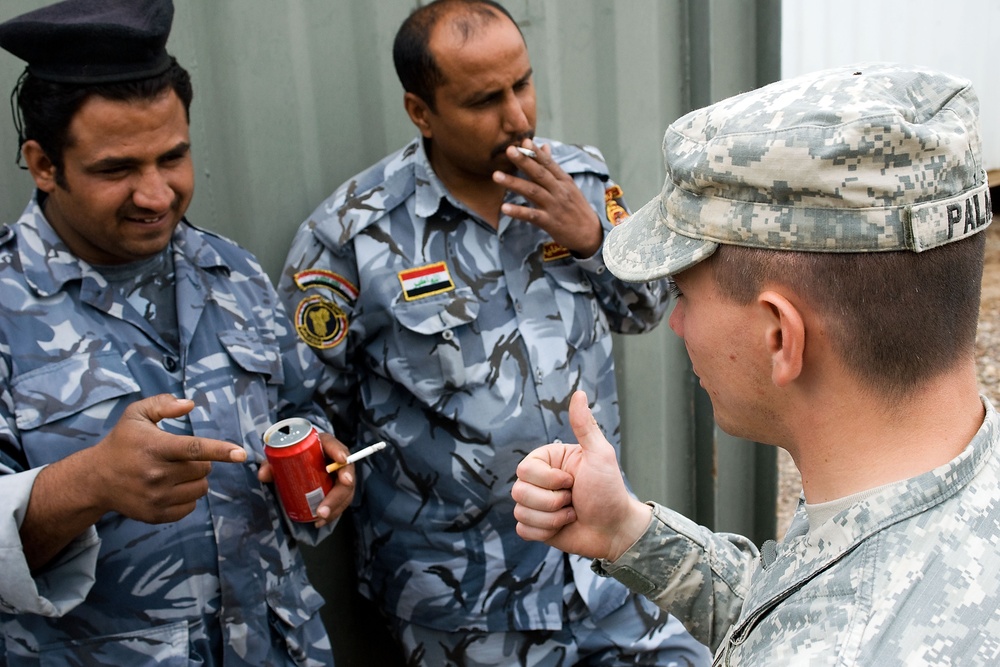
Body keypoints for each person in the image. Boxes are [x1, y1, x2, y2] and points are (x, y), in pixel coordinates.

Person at [511, 62, 1000, 664]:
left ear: (779, 337)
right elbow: (802, 602)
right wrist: (630, 534)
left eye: (684, 293)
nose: (677, 322)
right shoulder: (931, 471)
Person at [278, 0, 710, 664]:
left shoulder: (581, 182)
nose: (518, 116)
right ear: (421, 111)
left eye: (522, 84)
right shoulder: (352, 236)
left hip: (602, 563)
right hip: (468, 602)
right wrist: (320, 460)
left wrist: (593, 238)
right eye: (485, 100)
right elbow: (301, 406)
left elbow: (648, 309)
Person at [0, 0, 356, 664]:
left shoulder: (233, 273)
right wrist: (91, 481)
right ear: (43, 164)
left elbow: (296, 408)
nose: (158, 194)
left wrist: (316, 459)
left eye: (173, 157)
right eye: (117, 169)